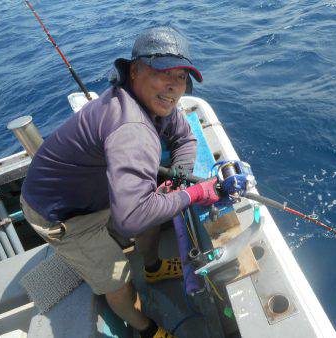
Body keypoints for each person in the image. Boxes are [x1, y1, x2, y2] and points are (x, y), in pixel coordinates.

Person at [20, 26, 219, 338]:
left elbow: (185, 140)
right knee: (119, 277)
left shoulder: (156, 102)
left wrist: (179, 180)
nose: (173, 86)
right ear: (136, 70)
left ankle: (152, 269)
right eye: (163, 72)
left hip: (99, 193)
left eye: (181, 77)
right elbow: (130, 219)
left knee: (155, 210)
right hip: (64, 216)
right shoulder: (131, 128)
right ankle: (145, 328)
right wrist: (193, 194)